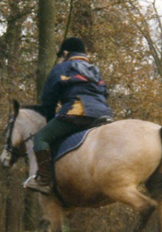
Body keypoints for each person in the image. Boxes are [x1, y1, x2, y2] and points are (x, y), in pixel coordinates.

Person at [23, 36, 113, 194]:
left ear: (65, 52)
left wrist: (50, 119)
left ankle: (44, 180)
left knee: (41, 138)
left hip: (78, 112)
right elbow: (105, 93)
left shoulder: (62, 67)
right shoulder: (94, 70)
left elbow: (48, 100)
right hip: (104, 115)